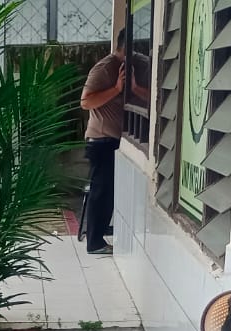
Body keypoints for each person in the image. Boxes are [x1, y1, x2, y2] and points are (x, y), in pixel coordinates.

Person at [78, 28, 150, 256]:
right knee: (102, 191)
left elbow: (156, 96)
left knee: (110, 191)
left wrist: (136, 88)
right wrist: (117, 89)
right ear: (122, 47)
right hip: (101, 140)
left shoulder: (142, 64)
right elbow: (86, 102)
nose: (137, 54)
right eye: (132, 49)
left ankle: (102, 233)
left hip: (121, 139)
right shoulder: (104, 68)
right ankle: (95, 241)